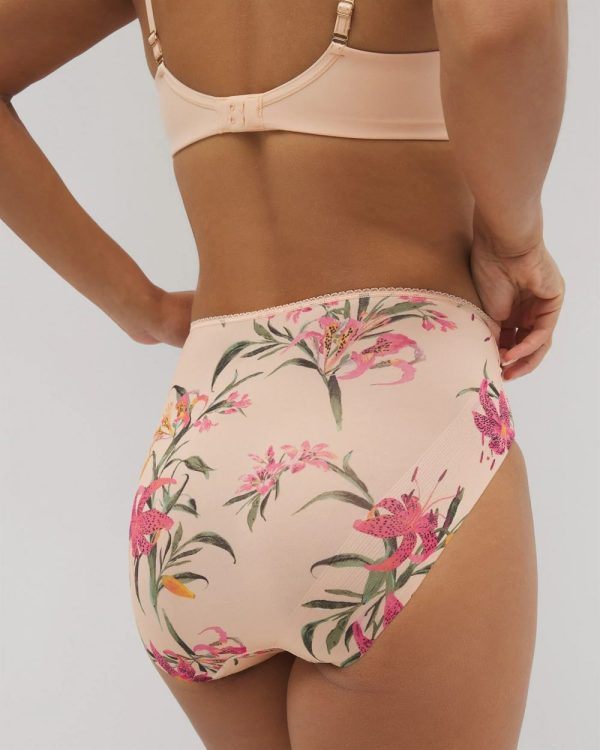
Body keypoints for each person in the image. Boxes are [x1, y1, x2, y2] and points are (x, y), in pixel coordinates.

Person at [0, 1, 567, 748]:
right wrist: (514, 241)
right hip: (400, 444)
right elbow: (502, 26)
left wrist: (138, 305)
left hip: (194, 477)